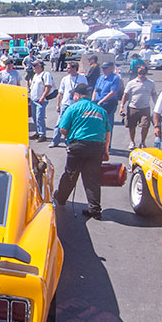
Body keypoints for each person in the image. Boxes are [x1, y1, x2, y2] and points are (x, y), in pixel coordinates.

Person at [53, 84, 112, 220]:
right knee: (92, 178)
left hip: (78, 145)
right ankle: (95, 209)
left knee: (70, 174)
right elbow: (107, 132)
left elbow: (62, 128)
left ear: (77, 95)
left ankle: (61, 198)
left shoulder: (73, 108)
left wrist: (70, 138)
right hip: (97, 146)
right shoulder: (100, 110)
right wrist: (106, 150)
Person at [51, 62, 88, 148]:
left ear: (74, 69)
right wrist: (58, 104)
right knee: (60, 123)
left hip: (77, 105)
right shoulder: (65, 79)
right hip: (66, 104)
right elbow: (60, 93)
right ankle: (55, 141)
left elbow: (85, 92)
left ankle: (70, 142)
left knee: (74, 124)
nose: (67, 69)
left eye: (69, 68)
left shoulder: (82, 79)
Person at [121, 67, 157, 149]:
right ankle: (132, 142)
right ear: (137, 73)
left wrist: (156, 106)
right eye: (140, 73)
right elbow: (125, 95)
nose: (141, 75)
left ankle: (142, 142)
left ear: (146, 73)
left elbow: (154, 95)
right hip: (132, 107)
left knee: (145, 126)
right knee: (131, 126)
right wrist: (121, 106)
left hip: (145, 108)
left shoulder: (151, 83)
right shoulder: (131, 83)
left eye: (143, 73)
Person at [28, 60, 54, 141]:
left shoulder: (46, 74)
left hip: (41, 100)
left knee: (40, 117)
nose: (34, 67)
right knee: (35, 118)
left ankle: (42, 134)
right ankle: (37, 132)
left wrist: (43, 97)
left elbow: (48, 87)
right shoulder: (35, 75)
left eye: (35, 66)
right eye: (33, 66)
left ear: (41, 66)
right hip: (34, 99)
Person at [93, 61, 122, 130]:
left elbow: (113, 92)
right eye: (103, 68)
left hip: (109, 103)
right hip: (98, 103)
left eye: (105, 68)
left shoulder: (115, 78)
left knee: (107, 125)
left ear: (111, 68)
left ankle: (107, 140)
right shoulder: (100, 78)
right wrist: (93, 100)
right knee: (97, 125)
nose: (103, 70)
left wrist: (101, 101)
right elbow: (95, 90)